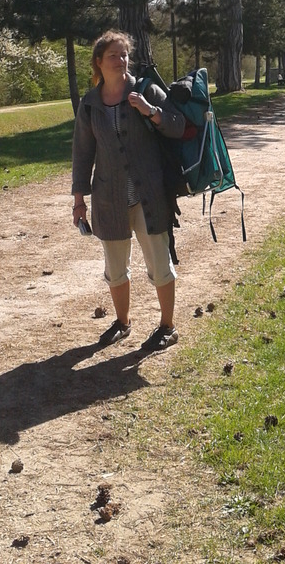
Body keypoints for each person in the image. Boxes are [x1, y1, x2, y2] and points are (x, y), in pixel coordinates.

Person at [71, 30, 186, 352]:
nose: (121, 60)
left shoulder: (146, 89)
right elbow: (82, 154)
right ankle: (122, 322)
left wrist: (151, 110)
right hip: (109, 200)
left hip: (150, 195)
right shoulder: (90, 104)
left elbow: (177, 125)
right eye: (113, 55)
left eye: (124, 55)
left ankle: (168, 326)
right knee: (115, 268)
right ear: (99, 62)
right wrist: (79, 201)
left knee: (159, 263)